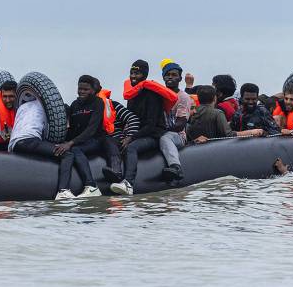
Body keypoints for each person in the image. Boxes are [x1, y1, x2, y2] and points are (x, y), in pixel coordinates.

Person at [114, 60, 177, 196]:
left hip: (154, 134)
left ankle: (128, 183)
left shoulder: (152, 95)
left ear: (145, 75)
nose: (133, 76)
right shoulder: (132, 94)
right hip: (137, 132)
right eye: (131, 73)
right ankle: (115, 173)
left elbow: (150, 125)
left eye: (137, 73)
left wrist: (131, 138)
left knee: (131, 147)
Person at [9, 95, 77, 200]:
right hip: (29, 141)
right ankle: (63, 191)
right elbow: (49, 135)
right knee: (67, 155)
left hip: (14, 144)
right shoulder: (48, 110)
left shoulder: (23, 106)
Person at [54, 75, 107, 198]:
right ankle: (64, 189)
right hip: (79, 141)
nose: (82, 92)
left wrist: (70, 143)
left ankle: (92, 186)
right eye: (80, 88)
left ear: (92, 90)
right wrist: (62, 143)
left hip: (96, 140)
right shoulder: (75, 105)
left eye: (86, 89)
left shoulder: (98, 103)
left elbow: (91, 129)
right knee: (70, 150)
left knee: (75, 149)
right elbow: (72, 129)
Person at [159, 59, 192, 181]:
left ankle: (176, 167)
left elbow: (180, 124)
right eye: (167, 75)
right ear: (163, 77)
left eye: (174, 75)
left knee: (165, 137)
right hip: (159, 131)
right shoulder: (160, 95)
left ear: (180, 79)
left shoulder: (183, 97)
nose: (170, 77)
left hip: (177, 135)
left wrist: (161, 130)